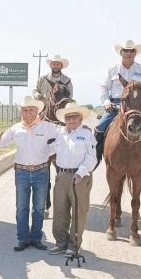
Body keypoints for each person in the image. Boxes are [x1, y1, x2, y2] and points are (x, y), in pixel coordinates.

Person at [94, 40, 141, 179]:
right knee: (99, 128)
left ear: (135, 53)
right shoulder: (112, 69)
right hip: (116, 105)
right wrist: (106, 102)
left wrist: (140, 102)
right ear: (121, 52)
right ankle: (94, 158)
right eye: (126, 50)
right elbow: (103, 87)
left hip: (137, 106)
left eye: (132, 51)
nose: (129, 53)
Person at [0, 96, 60, 251]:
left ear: (37, 111)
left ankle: (36, 238)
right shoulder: (16, 128)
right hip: (22, 172)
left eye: (31, 110)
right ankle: (23, 239)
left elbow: (62, 136)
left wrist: (51, 150)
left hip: (41, 172)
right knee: (22, 207)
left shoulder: (47, 127)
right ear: (21, 112)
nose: (28, 113)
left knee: (38, 208)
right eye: (24, 110)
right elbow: (2, 142)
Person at [46, 103, 96, 256]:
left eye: (74, 117)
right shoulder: (60, 133)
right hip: (61, 176)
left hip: (79, 177)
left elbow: (91, 157)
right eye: (68, 117)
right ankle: (61, 243)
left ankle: (74, 246)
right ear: (64, 120)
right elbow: (49, 149)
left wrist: (81, 173)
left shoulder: (87, 134)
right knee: (60, 211)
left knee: (78, 212)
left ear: (80, 118)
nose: (71, 120)